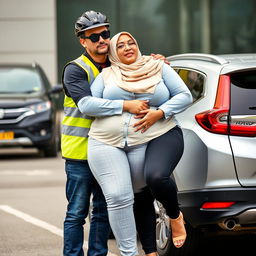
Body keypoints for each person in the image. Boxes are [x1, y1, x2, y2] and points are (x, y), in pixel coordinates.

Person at [77, 32, 192, 255]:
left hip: (146, 139)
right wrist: (124, 105)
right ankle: (131, 253)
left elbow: (184, 96)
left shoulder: (158, 66)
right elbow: (88, 105)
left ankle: (172, 220)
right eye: (120, 46)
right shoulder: (108, 74)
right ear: (113, 53)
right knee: (119, 197)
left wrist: (160, 112)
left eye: (131, 43)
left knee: (143, 190)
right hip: (106, 141)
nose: (127, 47)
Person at [62, 10, 166, 256]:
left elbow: (144, 75)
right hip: (80, 154)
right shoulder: (76, 70)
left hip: (111, 151)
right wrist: (124, 105)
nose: (101, 40)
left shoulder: (118, 63)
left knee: (103, 210)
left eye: (104, 34)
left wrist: (156, 62)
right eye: (93, 36)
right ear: (82, 41)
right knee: (76, 212)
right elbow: (88, 104)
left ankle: (98, 254)